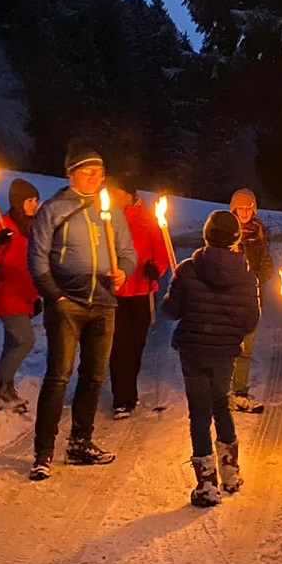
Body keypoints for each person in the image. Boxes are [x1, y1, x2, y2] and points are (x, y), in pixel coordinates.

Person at [26, 143, 136, 481]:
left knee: (93, 377)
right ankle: (43, 452)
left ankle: (80, 443)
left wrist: (124, 272)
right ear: (71, 173)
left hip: (104, 305)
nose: (95, 177)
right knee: (59, 376)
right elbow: (36, 257)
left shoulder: (111, 212)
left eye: (100, 172)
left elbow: (127, 251)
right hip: (67, 305)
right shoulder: (54, 209)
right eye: (88, 171)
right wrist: (54, 295)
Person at [163, 209, 261, 506]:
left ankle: (207, 485)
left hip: (193, 352)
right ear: (235, 240)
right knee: (222, 404)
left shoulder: (187, 269)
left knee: (199, 413)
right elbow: (250, 323)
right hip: (224, 353)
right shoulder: (247, 277)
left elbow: (171, 312)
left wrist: (173, 293)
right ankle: (230, 474)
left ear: (205, 235)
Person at [106, 176, 171, 418]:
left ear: (128, 193)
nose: (111, 195)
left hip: (142, 291)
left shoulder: (148, 219)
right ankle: (121, 399)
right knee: (119, 344)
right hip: (116, 292)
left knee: (136, 344)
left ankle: (129, 390)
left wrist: (157, 268)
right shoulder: (107, 218)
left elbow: (162, 251)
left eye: (115, 191)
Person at [0, 177, 41, 413]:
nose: (34, 204)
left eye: (36, 199)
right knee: (26, 341)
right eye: (30, 200)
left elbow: (32, 266)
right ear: (19, 202)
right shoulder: (2, 224)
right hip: (5, 292)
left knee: (12, 343)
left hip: (24, 295)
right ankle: (2, 390)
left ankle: (7, 388)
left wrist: (36, 298)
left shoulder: (33, 228)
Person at [228, 188, 274, 413]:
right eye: (241, 207)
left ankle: (239, 392)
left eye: (249, 208)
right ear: (233, 208)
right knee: (226, 347)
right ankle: (220, 392)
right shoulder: (223, 230)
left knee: (245, 348)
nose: (245, 212)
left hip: (251, 300)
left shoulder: (259, 233)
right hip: (226, 300)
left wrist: (254, 279)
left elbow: (267, 266)